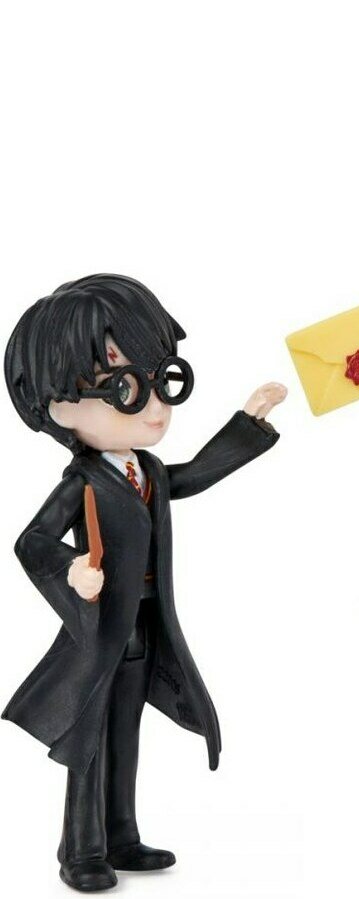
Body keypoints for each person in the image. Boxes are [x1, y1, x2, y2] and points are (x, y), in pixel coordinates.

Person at [3, 273, 287, 892]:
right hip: (99, 635)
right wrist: (71, 569)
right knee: (88, 744)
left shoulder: (148, 469)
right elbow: (31, 541)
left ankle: (121, 835)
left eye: (163, 381)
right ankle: (81, 849)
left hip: (145, 630)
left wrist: (248, 423)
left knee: (126, 738)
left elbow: (192, 476)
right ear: (54, 403)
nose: (156, 407)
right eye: (125, 389)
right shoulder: (82, 482)